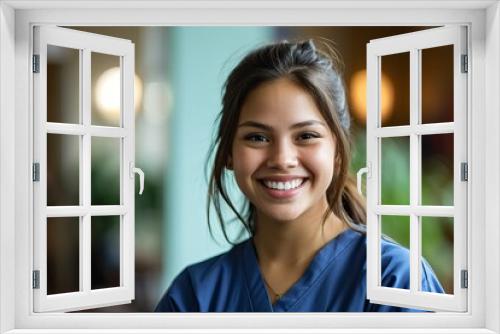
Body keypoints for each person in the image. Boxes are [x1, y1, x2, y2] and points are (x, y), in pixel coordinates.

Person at [155, 39, 444, 312]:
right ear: (230, 152)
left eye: (306, 135)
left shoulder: (396, 281)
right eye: (257, 137)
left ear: (338, 150)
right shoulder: (194, 296)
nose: (282, 159)